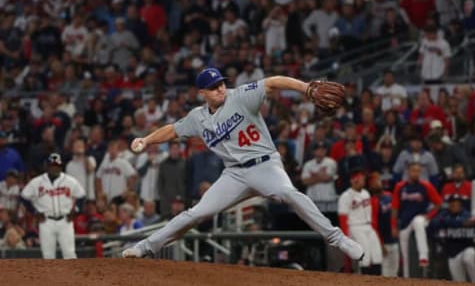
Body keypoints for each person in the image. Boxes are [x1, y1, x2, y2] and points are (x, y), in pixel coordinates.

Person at [122, 68, 364, 260]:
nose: (220, 89)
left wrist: (306, 88)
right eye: (213, 87)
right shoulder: (198, 117)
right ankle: (145, 246)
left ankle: (338, 239)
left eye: (221, 83)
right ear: (202, 93)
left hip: (265, 165)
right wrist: (146, 139)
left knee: (289, 194)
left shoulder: (240, 96)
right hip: (234, 175)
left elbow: (273, 81)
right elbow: (173, 130)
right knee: (195, 214)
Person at [21, 153, 85, 259]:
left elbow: (81, 196)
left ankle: (72, 276)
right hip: (46, 222)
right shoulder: (37, 182)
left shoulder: (69, 181)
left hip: (65, 221)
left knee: (70, 254)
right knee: (48, 256)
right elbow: (23, 197)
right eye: (52, 166)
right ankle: (50, 276)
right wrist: (35, 212)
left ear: (61, 167)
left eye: (57, 166)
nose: (55, 168)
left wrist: (76, 210)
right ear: (47, 166)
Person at [391, 162, 443, 278]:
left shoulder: (425, 186)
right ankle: (406, 277)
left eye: (418, 171)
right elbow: (394, 208)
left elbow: (439, 203)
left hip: (420, 218)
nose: (416, 173)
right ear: (408, 171)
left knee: (418, 221)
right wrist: (393, 226)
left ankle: (423, 257)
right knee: (405, 255)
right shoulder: (400, 186)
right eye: (413, 170)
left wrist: (429, 215)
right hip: (405, 223)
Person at [338, 169, 382, 275]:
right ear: (354, 180)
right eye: (361, 178)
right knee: (365, 256)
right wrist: (345, 237)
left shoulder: (366, 193)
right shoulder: (346, 196)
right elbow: (343, 218)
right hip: (355, 227)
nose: (363, 180)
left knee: (377, 255)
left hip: (368, 226)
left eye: (363, 178)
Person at [429, 195, 475, 283]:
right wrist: (458, 223)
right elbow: (433, 223)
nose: (455, 205)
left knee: (469, 258)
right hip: (452, 252)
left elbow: (468, 222)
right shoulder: (444, 214)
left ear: (460, 204)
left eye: (457, 203)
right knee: (458, 281)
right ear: (449, 204)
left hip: (466, 247)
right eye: (453, 203)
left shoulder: (466, 213)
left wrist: (447, 223)